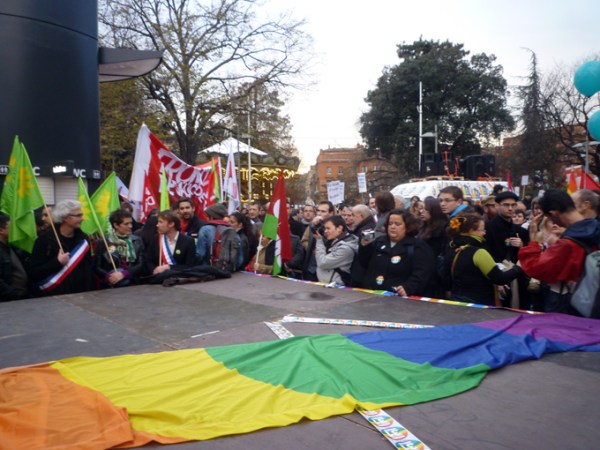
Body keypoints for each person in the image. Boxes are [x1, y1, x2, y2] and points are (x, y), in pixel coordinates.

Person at [519, 189, 600, 315]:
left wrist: (533, 238)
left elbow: (535, 268)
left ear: (554, 214)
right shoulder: (595, 228)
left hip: (568, 305)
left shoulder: (567, 244)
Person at [447, 213, 523, 306]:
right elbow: (500, 278)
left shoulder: (453, 248)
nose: (484, 233)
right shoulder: (479, 252)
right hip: (479, 303)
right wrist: (518, 268)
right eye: (482, 230)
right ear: (471, 231)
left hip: (458, 300)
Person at [359, 208, 435, 296]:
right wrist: (365, 247)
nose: (392, 227)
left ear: (407, 226)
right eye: (390, 224)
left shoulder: (418, 246)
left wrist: (409, 287)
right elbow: (365, 263)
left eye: (397, 224)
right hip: (373, 295)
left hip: (399, 298)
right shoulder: (379, 242)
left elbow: (422, 273)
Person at [30, 200, 94, 295]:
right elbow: (34, 273)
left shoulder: (83, 239)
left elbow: (89, 268)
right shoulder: (44, 240)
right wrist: (57, 263)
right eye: (78, 215)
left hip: (82, 296)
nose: (82, 218)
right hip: (55, 297)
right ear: (65, 218)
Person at [93, 209, 146, 288]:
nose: (130, 226)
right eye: (126, 224)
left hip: (132, 284)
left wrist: (124, 274)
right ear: (116, 225)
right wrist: (109, 276)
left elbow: (141, 264)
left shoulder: (137, 240)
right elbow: (96, 266)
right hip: (110, 286)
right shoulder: (104, 242)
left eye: (131, 223)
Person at [146, 210, 196, 276]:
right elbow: (148, 260)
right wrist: (154, 270)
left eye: (160, 222)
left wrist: (170, 267)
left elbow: (190, 266)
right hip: (158, 280)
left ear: (171, 224)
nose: (157, 225)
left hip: (179, 280)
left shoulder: (188, 241)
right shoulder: (156, 239)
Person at [314, 215, 358, 286]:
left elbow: (322, 262)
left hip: (336, 288)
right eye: (325, 228)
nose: (325, 231)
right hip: (328, 285)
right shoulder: (334, 241)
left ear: (339, 228)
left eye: (328, 228)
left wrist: (319, 241)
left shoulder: (345, 248)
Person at [0, 213, 28, 300]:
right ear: (1, 230)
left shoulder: (11, 247)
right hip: (8, 300)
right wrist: (12, 293)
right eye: (10, 227)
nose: (14, 230)